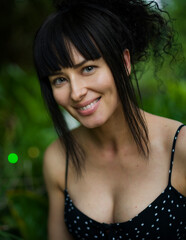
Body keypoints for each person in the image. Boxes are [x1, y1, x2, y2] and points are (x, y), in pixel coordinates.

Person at [33, 0, 186, 239]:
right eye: (59, 79)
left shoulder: (180, 149)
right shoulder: (58, 159)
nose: (76, 92)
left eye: (88, 69)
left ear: (124, 62)